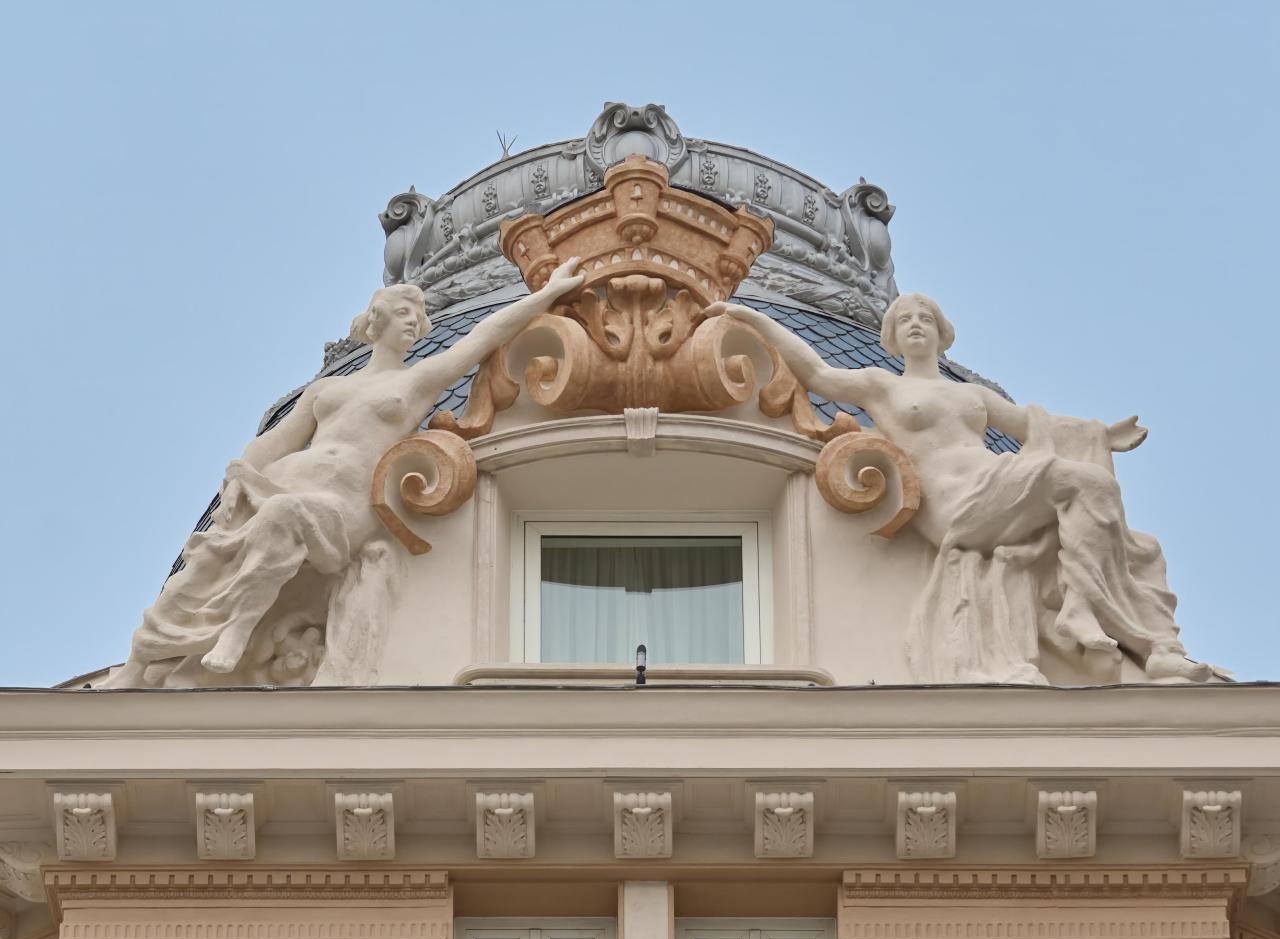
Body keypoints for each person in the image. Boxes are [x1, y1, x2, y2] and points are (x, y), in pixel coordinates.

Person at [102, 258, 586, 687]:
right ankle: (139, 661)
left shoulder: (416, 381)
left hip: (345, 509)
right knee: (204, 567)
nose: (415, 324)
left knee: (282, 518)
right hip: (292, 484)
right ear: (377, 320)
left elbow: (481, 337)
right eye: (405, 314)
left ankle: (237, 629)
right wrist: (238, 475)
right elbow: (275, 443)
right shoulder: (327, 390)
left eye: (419, 318)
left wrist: (543, 296)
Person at [708, 293, 1209, 683]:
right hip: (953, 503)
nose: (916, 324)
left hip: (993, 479)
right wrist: (752, 317)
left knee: (1091, 482)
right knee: (1080, 482)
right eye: (905, 319)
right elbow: (817, 371)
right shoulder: (883, 386)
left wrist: (1100, 434)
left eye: (925, 317)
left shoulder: (971, 393)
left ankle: (1109, 623)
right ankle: (1105, 623)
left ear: (942, 333)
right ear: (893, 337)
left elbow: (1041, 427)